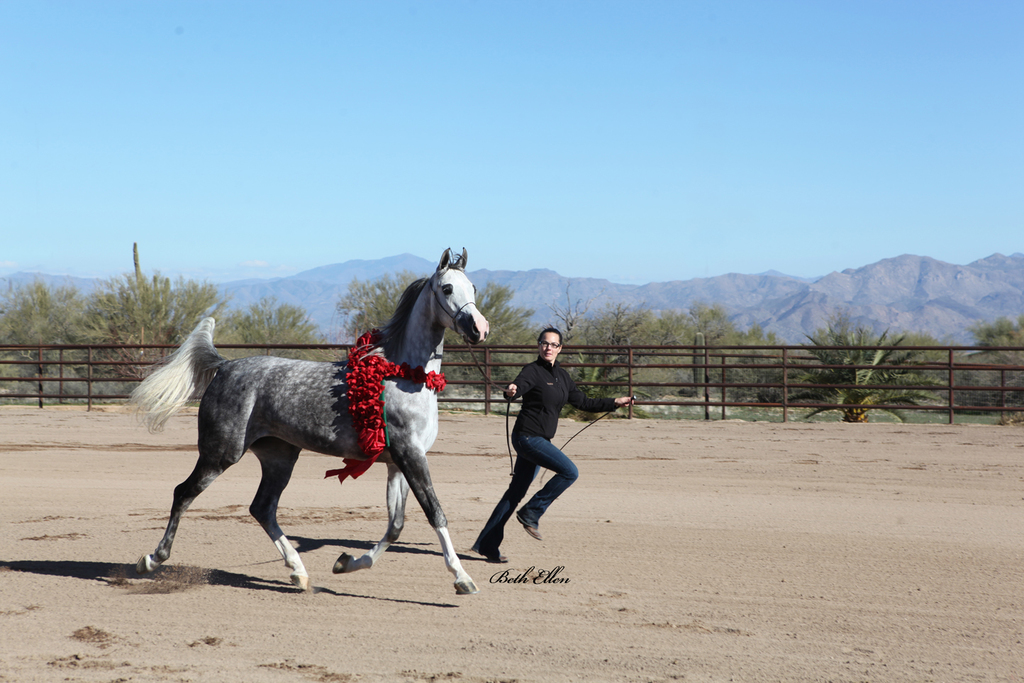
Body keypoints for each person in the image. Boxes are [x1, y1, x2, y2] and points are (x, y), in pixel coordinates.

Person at [471, 327, 634, 563]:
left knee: (515, 493)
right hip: (527, 438)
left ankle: (487, 544)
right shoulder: (532, 371)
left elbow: (584, 402)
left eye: (553, 344)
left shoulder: (562, 377)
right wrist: (512, 392)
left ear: (560, 348)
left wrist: (615, 402)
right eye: (544, 343)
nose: (548, 348)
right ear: (539, 346)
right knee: (570, 472)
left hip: (539, 440)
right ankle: (531, 512)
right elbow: (519, 386)